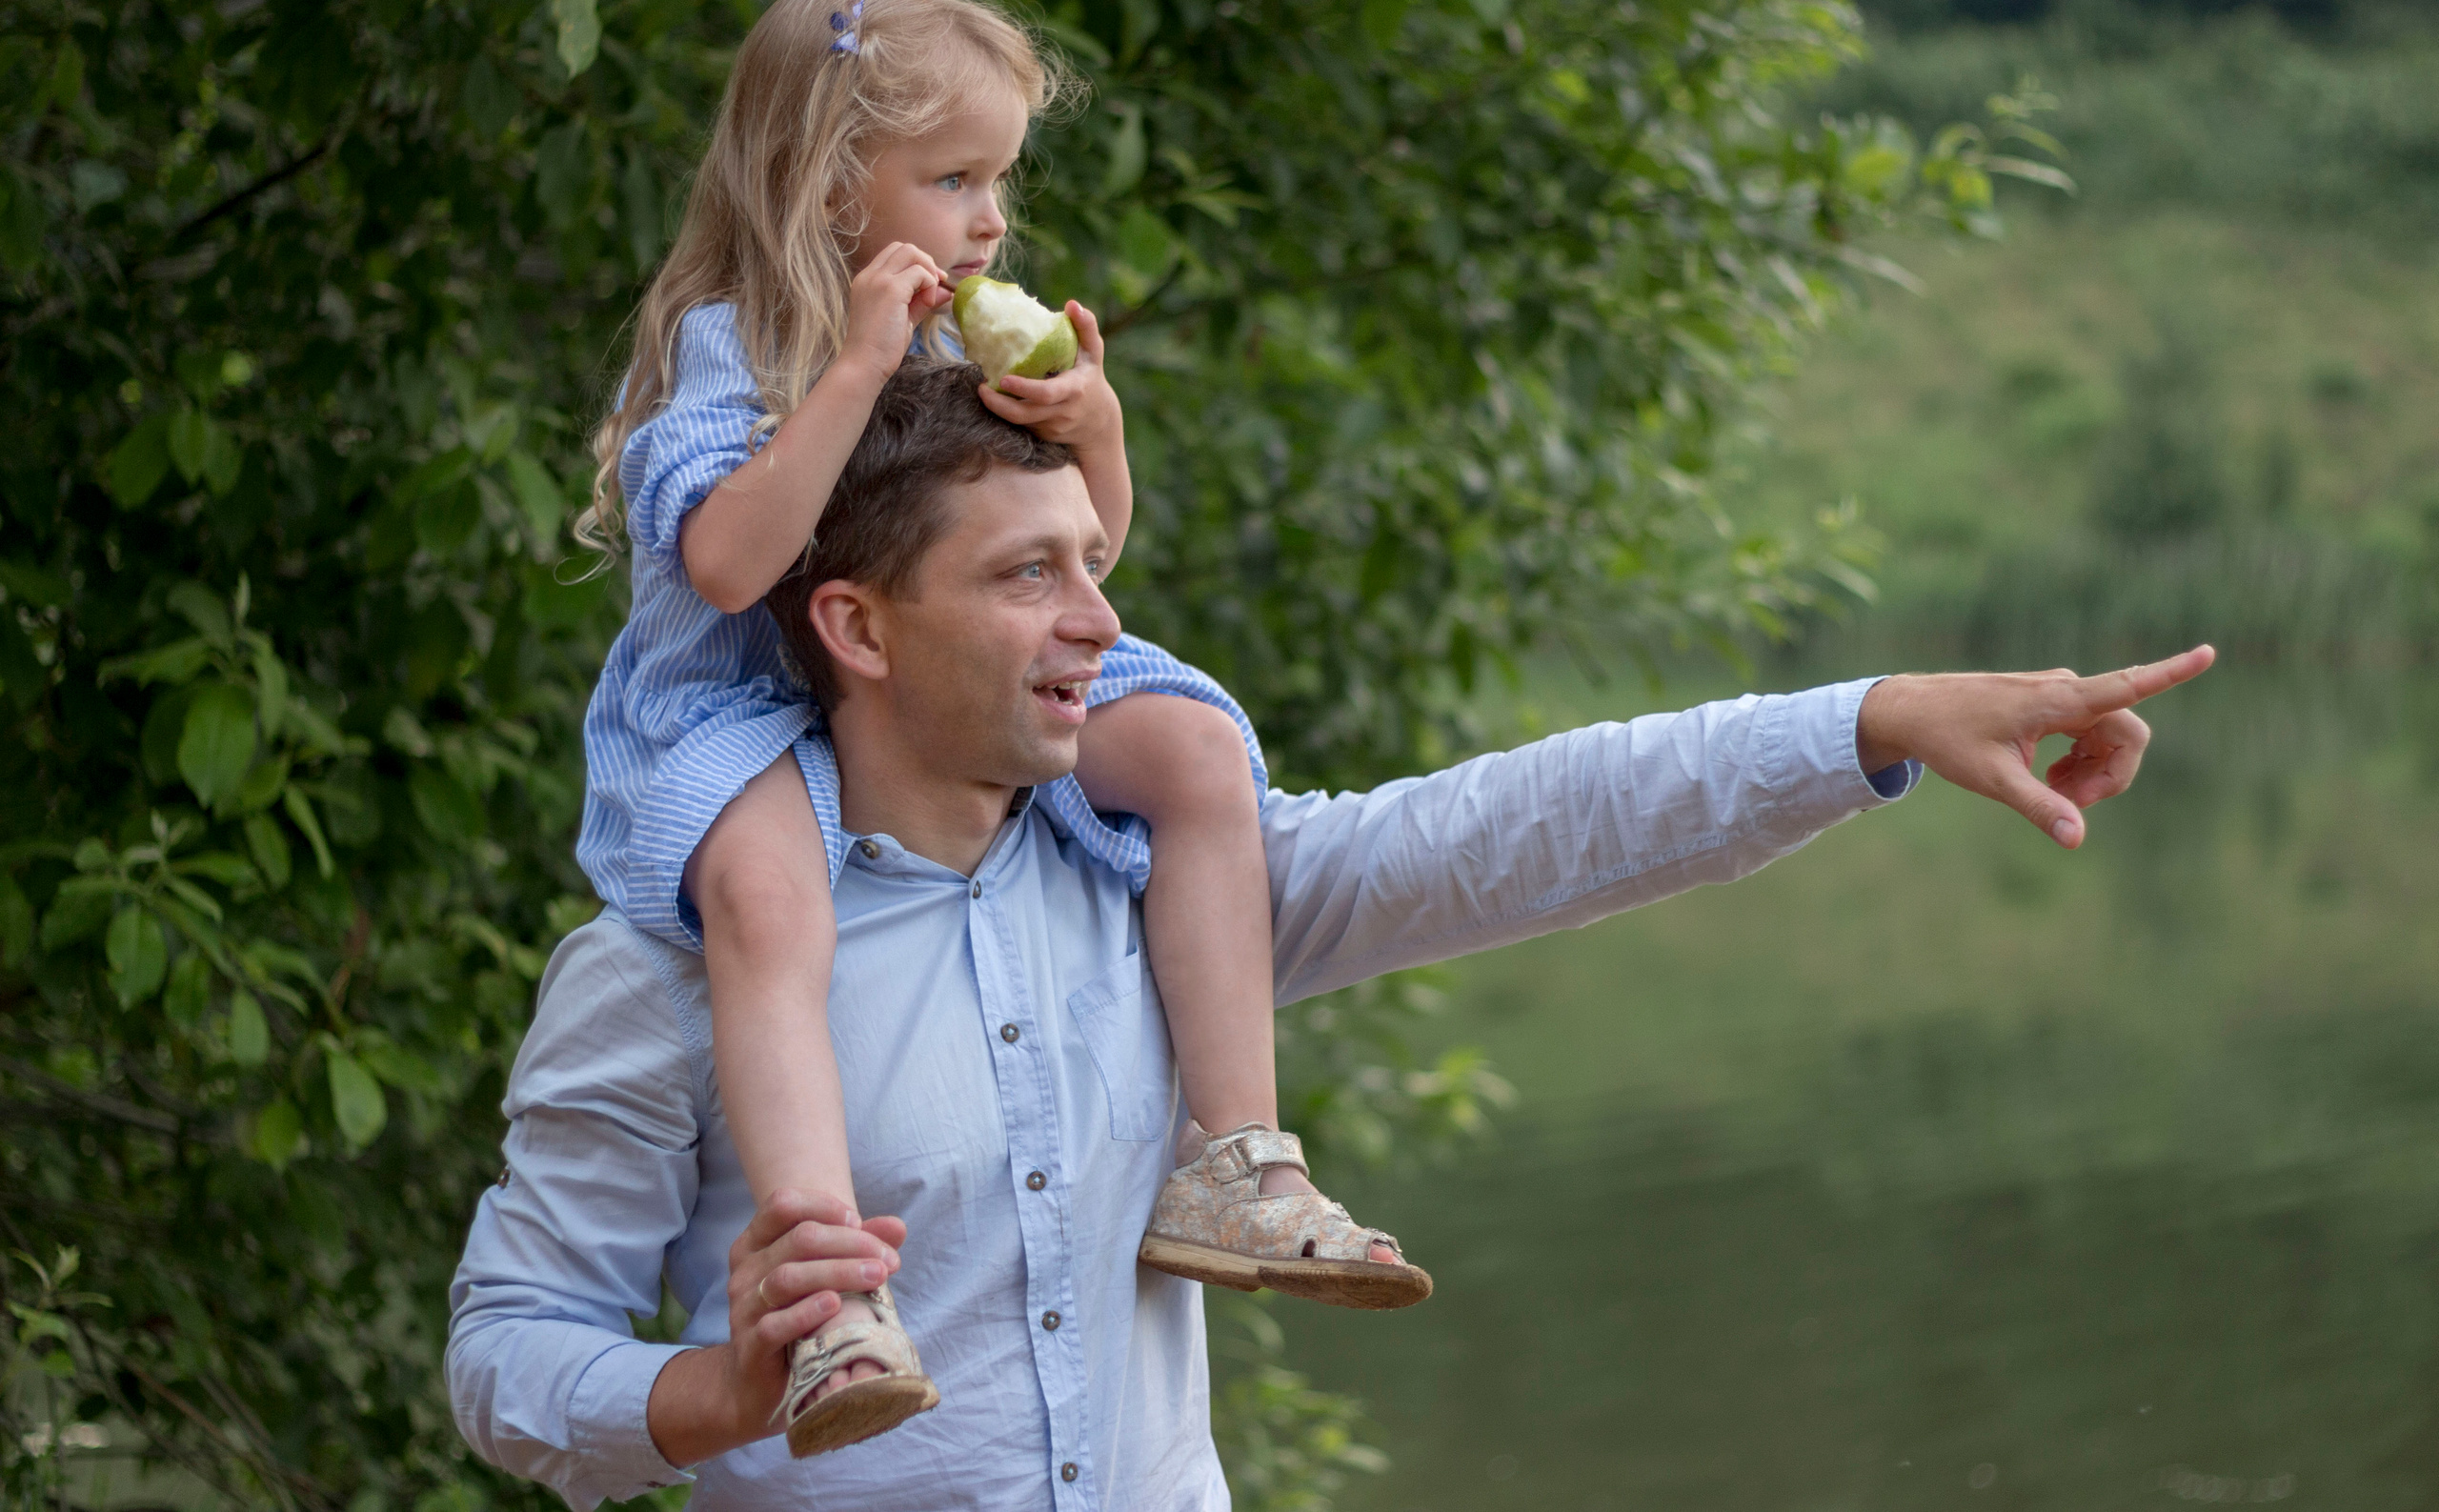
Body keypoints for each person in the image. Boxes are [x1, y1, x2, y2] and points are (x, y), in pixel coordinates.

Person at [448, 358, 2215, 1510]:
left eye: (1091, 558)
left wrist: (1878, 716)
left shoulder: (1156, 888)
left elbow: (1522, 828)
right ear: (854, 624)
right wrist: (717, 1393)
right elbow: (508, 1358)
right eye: (1026, 577)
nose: (1099, 621)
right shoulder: (675, 965)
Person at [572, 0, 1412, 1455]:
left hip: (926, 684)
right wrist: (856, 370)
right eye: (953, 177)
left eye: (999, 181)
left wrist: (1098, 431)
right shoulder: (737, 339)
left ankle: (1233, 1161)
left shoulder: (956, 329)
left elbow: (1073, 559)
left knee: (1199, 751)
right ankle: (830, 1289)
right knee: (769, 903)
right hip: (741, 706)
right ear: (834, 186)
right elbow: (725, 566)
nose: (988, 219)